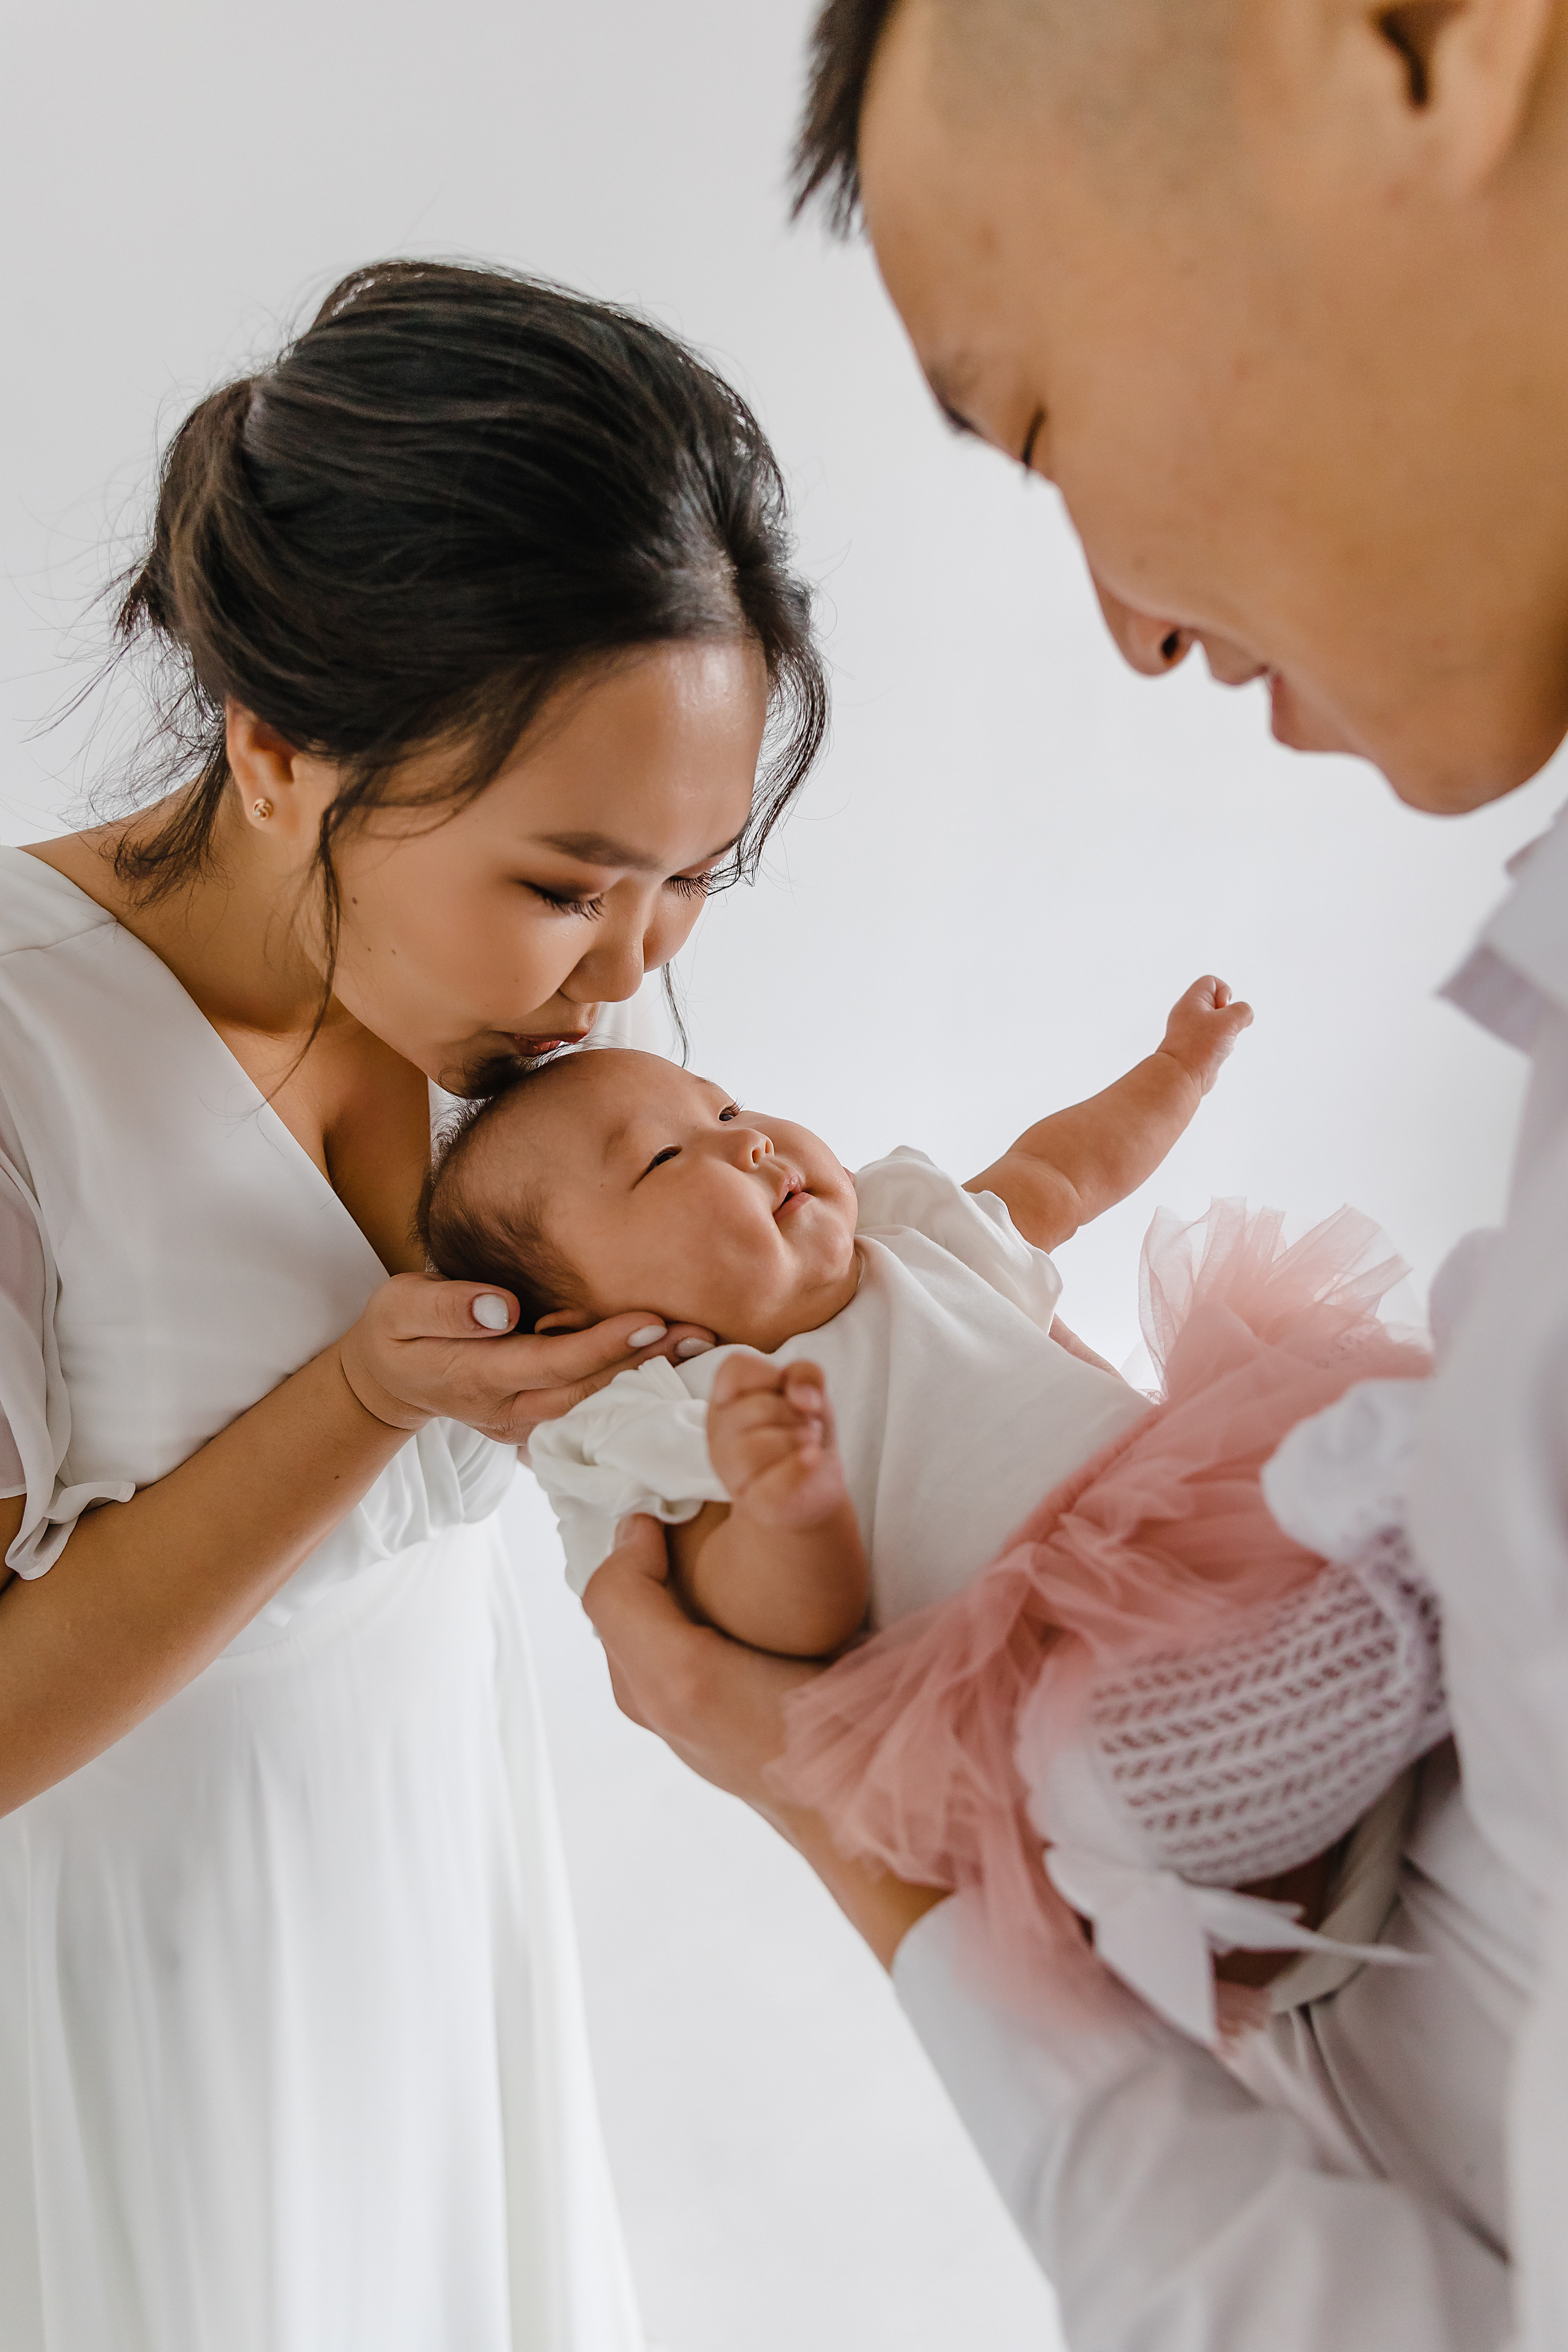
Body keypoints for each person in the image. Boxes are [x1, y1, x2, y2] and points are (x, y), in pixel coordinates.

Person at [576, 3, 1568, 2346]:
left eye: (1037, 419)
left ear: (1415, 46)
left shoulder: (906, 1223)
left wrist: (852, 1854)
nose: (1125, 620)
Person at [0, 256, 826, 2352]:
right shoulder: (25, 1041)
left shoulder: (507, 1041)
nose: (629, 969)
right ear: (279, 752)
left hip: (434, 1926)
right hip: (133, 2009)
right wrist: (362, 1403)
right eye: (567, 883)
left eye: (689, 876)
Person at [427, 1011, 1444, 2049]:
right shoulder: (681, 1421)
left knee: (1361, 1456)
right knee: (1099, 1791)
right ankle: (1319, 1742)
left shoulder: (908, 1234)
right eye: (662, 1158)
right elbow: (775, 1635)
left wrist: (1174, 1070)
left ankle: (1402, 1624)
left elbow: (1059, 1173)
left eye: (726, 1106)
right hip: (1053, 1680)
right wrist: (789, 1506)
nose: (749, 1140)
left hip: (1208, 1541)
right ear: (581, 1328)